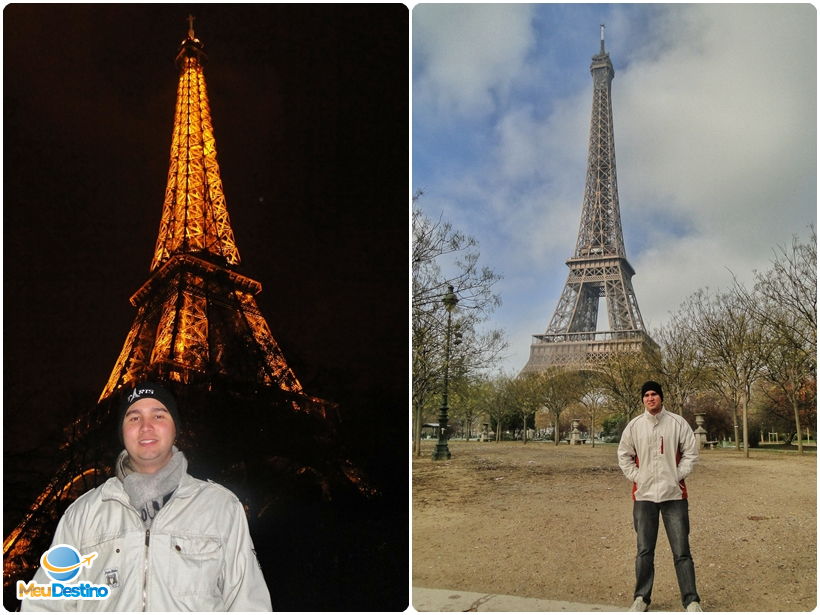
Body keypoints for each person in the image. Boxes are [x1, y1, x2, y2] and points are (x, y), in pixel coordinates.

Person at [21, 381, 272, 611]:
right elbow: (44, 604)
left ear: (176, 429)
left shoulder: (221, 507)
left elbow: (248, 603)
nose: (146, 426)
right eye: (134, 418)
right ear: (122, 433)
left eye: (159, 415)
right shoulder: (83, 513)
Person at [617, 381, 702, 612]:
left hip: (673, 495)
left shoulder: (677, 423)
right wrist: (639, 477)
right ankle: (641, 598)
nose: (650, 398)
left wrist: (676, 475)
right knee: (644, 550)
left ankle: (691, 600)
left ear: (661, 397)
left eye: (654, 394)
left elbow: (691, 454)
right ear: (642, 399)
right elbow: (624, 455)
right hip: (644, 496)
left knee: (681, 550)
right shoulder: (634, 426)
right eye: (646, 395)